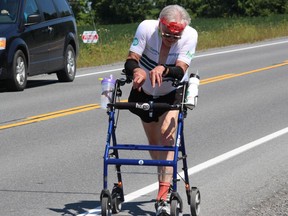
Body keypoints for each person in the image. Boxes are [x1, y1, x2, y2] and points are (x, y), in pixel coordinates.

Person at [124, 4, 198, 216]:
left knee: (167, 136)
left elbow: (180, 69)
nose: (171, 39)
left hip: (172, 91)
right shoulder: (146, 28)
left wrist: (163, 68)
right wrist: (137, 70)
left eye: (176, 36)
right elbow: (131, 59)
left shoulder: (190, 34)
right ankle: (165, 179)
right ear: (159, 24)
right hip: (145, 89)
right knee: (154, 142)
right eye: (167, 34)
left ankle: (163, 195)